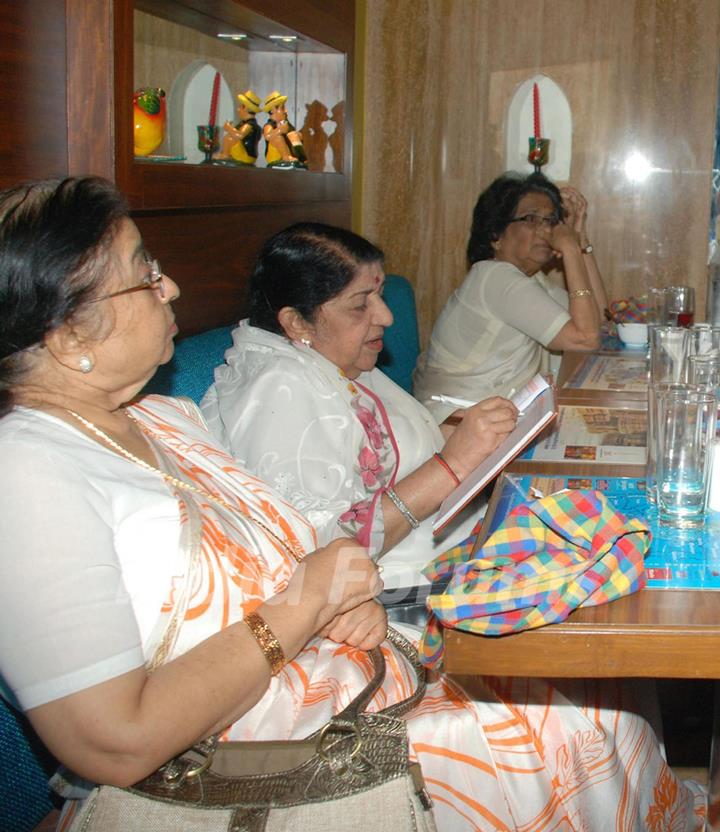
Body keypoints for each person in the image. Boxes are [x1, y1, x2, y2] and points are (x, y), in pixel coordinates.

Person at [0, 179, 704, 832]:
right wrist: (306, 604)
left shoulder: (159, 418)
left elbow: (294, 551)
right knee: (576, 719)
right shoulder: (26, 469)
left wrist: (332, 597)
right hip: (239, 754)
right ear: (69, 334)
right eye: (145, 275)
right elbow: (112, 743)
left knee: (602, 685)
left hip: (331, 668)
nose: (171, 284)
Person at [201, 222, 519, 590]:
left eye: (380, 294)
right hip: (396, 595)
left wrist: (454, 433)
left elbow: (380, 453)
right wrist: (453, 465)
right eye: (360, 305)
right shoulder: (278, 389)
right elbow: (325, 553)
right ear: (296, 322)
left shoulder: (333, 356)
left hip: (454, 551)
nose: (386, 316)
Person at [413, 172, 609, 423]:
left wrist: (581, 242)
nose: (546, 230)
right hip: (458, 428)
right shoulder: (494, 278)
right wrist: (570, 249)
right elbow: (585, 339)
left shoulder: (530, 281)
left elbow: (601, 321)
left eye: (550, 220)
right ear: (496, 235)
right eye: (530, 219)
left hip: (495, 422)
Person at [212, 89, 262, 165]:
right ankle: (225, 153)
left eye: (240, 107)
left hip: (246, 155)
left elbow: (239, 135)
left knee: (230, 137)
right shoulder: (244, 123)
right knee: (230, 136)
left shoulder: (250, 124)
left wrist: (229, 128)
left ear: (246, 108)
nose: (238, 110)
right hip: (242, 152)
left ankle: (225, 155)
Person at [262, 90, 307, 169]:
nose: (285, 111)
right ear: (272, 110)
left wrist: (298, 135)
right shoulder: (269, 125)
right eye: (282, 108)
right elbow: (267, 136)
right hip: (274, 155)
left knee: (294, 135)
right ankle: (285, 157)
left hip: (288, 150)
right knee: (277, 137)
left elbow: (292, 135)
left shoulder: (285, 123)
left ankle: (302, 158)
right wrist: (279, 130)